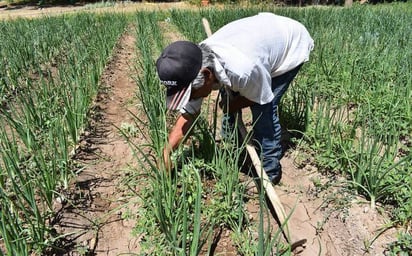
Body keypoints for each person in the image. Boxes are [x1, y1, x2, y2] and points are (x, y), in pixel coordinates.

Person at [156, 12, 314, 185]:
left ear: (207, 75)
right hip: (258, 40)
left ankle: (270, 170)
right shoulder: (195, 64)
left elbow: (263, 97)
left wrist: (236, 104)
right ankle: (233, 141)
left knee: (263, 112)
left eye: (190, 94)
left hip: (290, 44)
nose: (191, 99)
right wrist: (167, 151)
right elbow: (188, 115)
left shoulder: (244, 70)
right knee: (231, 92)